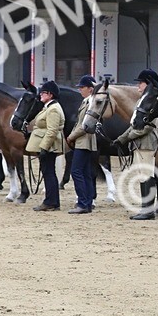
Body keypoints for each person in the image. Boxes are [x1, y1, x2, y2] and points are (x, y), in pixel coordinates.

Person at [117, 69, 158, 221]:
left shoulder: (152, 100)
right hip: (139, 143)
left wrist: (127, 138)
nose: (138, 85)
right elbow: (134, 124)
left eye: (141, 82)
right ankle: (145, 208)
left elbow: (147, 126)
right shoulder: (142, 100)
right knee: (141, 175)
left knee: (147, 174)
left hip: (147, 142)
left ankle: (148, 210)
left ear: (149, 83)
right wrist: (121, 138)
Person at [27, 80, 65, 212]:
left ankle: (51, 201)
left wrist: (44, 147)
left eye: (43, 93)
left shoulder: (53, 109)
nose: (40, 95)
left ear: (50, 94)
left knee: (49, 173)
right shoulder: (49, 107)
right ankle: (51, 201)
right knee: (48, 172)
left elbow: (52, 130)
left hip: (49, 146)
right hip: (47, 144)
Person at [65, 75, 98, 215]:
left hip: (83, 141)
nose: (80, 90)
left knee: (76, 171)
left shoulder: (91, 103)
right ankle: (88, 202)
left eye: (82, 87)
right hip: (85, 141)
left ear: (90, 89)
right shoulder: (86, 101)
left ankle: (83, 202)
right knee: (85, 173)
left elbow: (84, 125)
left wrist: (71, 137)